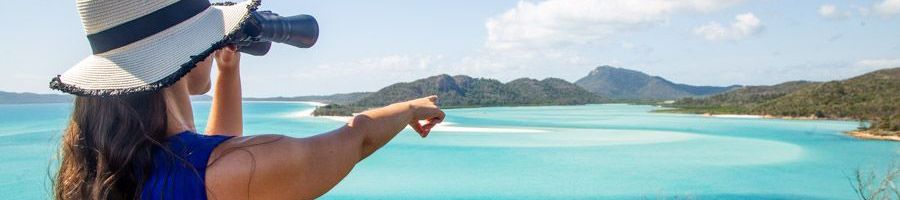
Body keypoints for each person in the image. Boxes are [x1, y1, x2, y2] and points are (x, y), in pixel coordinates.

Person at [50, 0, 444, 199]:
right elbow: (356, 139)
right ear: (184, 47)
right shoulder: (227, 172)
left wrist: (229, 72)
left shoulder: (100, 169)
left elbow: (214, 159)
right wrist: (409, 108)